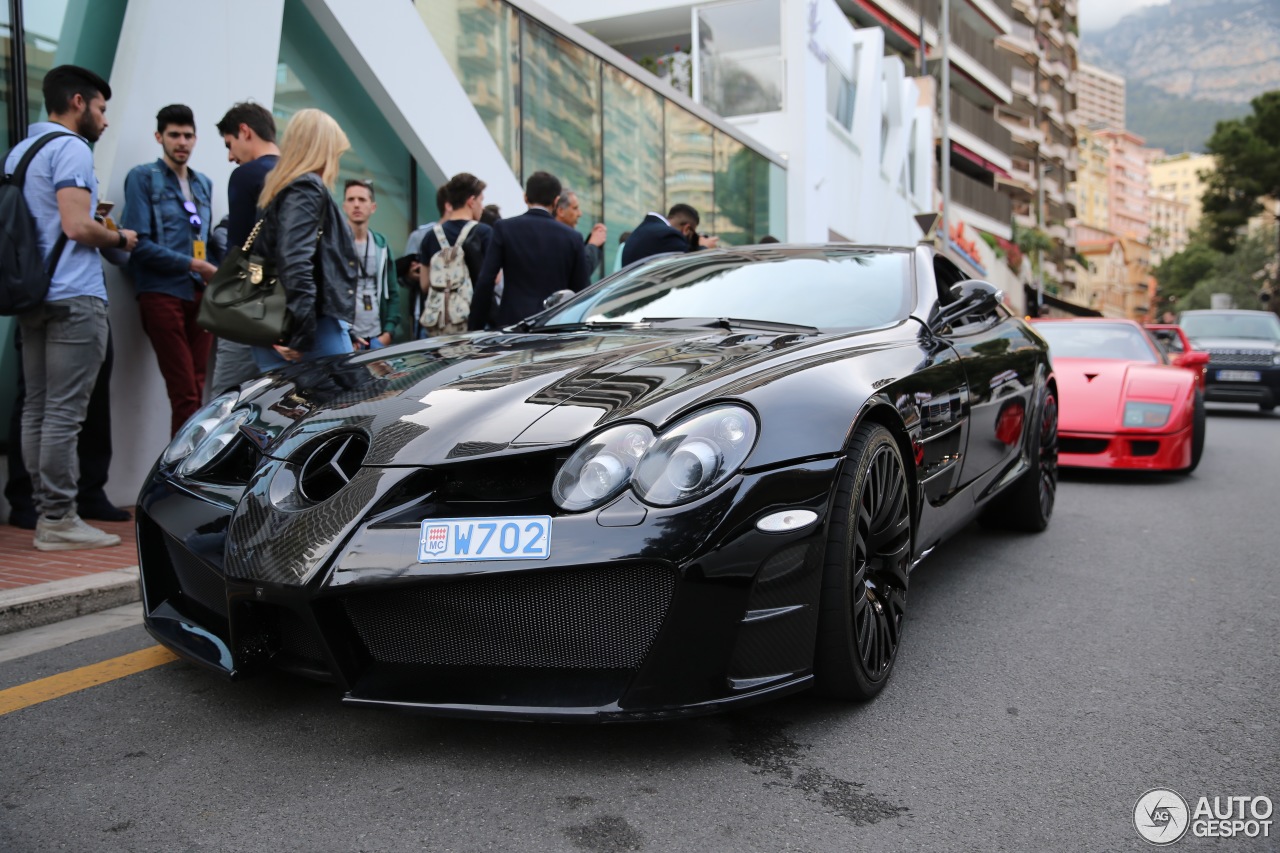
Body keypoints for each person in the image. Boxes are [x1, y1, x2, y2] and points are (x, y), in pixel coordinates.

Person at [4, 64, 137, 550]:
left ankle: (46, 513)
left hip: (33, 296)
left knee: (37, 410)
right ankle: (59, 519)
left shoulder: (21, 151)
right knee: (62, 415)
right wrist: (120, 235)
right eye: (101, 108)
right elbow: (78, 227)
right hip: (73, 298)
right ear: (78, 102)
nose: (103, 120)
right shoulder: (71, 148)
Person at [122, 104, 216, 436]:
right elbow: (138, 244)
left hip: (199, 294)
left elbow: (204, 236)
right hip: (161, 292)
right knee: (185, 393)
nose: (182, 142)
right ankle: (178, 474)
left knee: (198, 386)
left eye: (188, 135)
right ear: (159, 137)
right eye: (174, 135)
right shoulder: (142, 177)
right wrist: (195, 264)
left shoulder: (203, 183)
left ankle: (184, 468)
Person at [253, 108, 357, 370]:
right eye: (336, 152)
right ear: (324, 150)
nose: (337, 160)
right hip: (310, 328)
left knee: (282, 408)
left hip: (274, 322)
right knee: (346, 406)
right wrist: (301, 332)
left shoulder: (279, 188)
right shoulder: (307, 188)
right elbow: (295, 259)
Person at [210, 101, 280, 392]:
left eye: (230, 144)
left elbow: (237, 248)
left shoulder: (246, 175)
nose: (230, 156)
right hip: (293, 308)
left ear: (245, 131)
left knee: (227, 401)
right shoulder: (304, 176)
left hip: (248, 306)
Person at [468, 171, 588, 331]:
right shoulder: (573, 237)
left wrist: (475, 327)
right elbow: (581, 290)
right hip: (555, 324)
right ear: (556, 201)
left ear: (525, 197)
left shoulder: (504, 228)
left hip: (513, 323)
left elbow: (486, 280)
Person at [417, 172, 491, 338]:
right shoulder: (484, 232)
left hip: (437, 323)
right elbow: (495, 278)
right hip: (473, 322)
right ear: (471, 201)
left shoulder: (430, 236)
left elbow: (424, 284)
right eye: (481, 200)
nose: (482, 206)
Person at [342, 179, 400, 349]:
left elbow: (393, 291)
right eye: (351, 200)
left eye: (362, 200)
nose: (356, 205)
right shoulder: (337, 243)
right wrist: (347, 333)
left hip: (376, 336)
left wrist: (388, 332)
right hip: (348, 337)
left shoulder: (380, 244)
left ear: (373, 207)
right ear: (344, 206)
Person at [621, 203, 718, 267]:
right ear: (687, 229)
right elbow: (691, 266)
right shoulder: (669, 236)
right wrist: (704, 246)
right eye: (692, 234)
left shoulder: (648, 230)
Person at [555, 189, 606, 277]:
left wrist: (591, 242)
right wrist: (593, 246)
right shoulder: (560, 239)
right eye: (575, 208)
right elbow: (581, 273)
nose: (580, 214)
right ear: (561, 211)